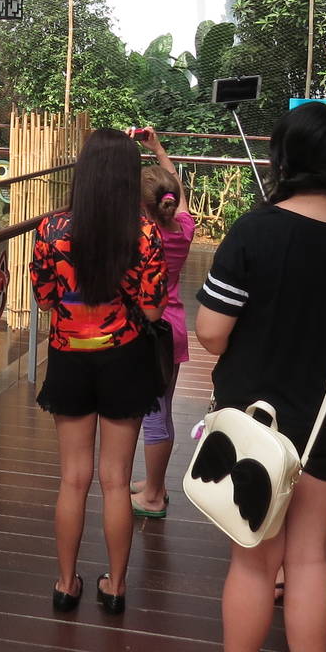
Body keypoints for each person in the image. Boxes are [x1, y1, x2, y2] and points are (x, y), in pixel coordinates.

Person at [196, 103, 326, 652]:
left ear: (283, 158)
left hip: (254, 417)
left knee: (254, 561)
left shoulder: (255, 230)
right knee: (310, 560)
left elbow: (211, 333)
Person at [29, 128, 166, 616]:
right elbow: (153, 311)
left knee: (73, 479)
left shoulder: (50, 229)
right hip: (125, 359)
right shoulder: (145, 233)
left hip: (69, 357)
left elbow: (45, 300)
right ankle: (116, 586)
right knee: (115, 480)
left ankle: (66, 584)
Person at [128, 126, 196, 520]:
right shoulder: (182, 230)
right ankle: (155, 482)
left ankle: (153, 495)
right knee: (161, 408)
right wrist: (158, 149)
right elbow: (178, 192)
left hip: (148, 330)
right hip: (175, 328)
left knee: (153, 413)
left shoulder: (140, 235)